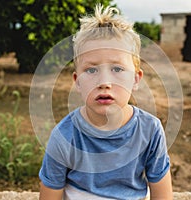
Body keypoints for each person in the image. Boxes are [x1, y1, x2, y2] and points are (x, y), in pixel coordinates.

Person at [39, 4, 173, 200]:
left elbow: (162, 195)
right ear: (77, 81)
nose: (104, 83)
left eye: (117, 70)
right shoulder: (64, 136)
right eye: (91, 70)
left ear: (136, 79)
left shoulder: (150, 130)